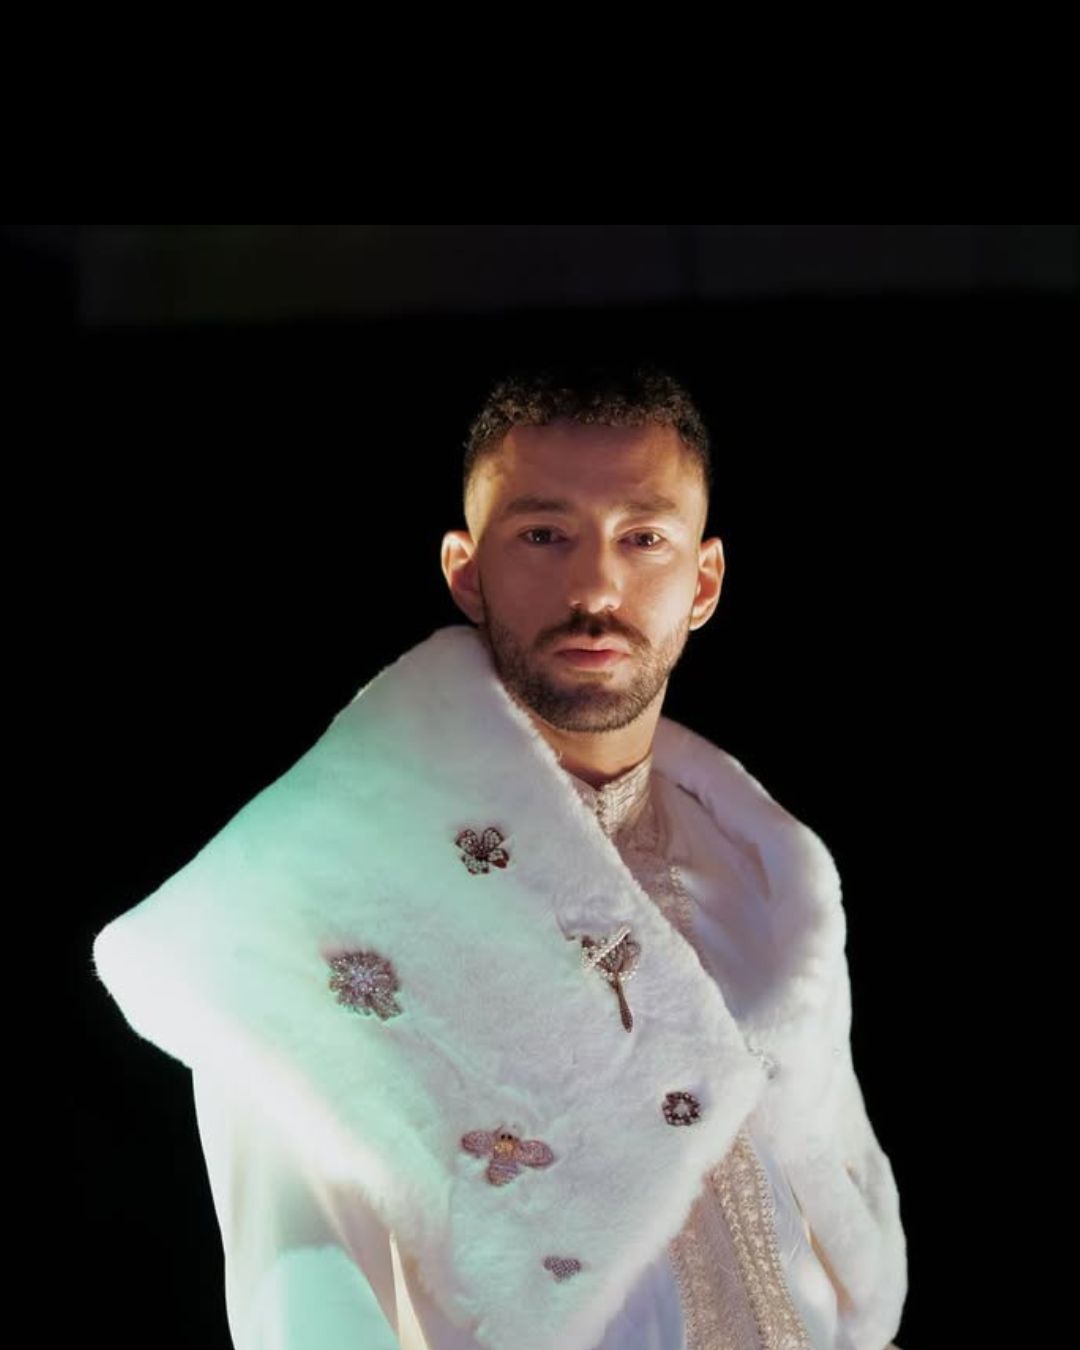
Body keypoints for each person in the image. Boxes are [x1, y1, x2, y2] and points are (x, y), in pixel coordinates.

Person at [92, 365, 908, 1350]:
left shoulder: (765, 879)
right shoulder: (318, 902)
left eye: (643, 538)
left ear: (703, 583)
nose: (595, 587)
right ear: (466, 569)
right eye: (543, 535)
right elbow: (304, 1305)